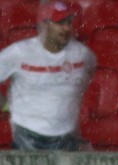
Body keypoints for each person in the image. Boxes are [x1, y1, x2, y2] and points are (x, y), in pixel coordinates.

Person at [0, 0, 96, 151]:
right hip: (27, 137)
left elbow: (90, 73)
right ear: (44, 25)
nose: (66, 28)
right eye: (60, 23)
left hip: (66, 138)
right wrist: (6, 106)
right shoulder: (20, 52)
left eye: (69, 22)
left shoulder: (81, 54)